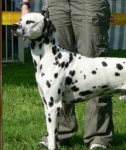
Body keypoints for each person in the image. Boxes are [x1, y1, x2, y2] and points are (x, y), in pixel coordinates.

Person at [20, 0, 114, 149]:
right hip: (56, 3)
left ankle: (98, 137)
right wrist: (25, 4)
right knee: (56, 72)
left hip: (90, 3)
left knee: (96, 68)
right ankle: (58, 134)